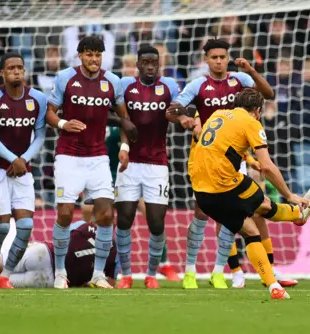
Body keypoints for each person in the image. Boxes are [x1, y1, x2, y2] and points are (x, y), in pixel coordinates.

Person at [166, 38, 294, 290]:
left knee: (256, 209)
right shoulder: (198, 85)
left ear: (228, 57)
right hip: (208, 156)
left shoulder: (240, 80)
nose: (219, 61)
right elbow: (173, 110)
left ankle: (269, 269)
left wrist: (251, 71)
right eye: (214, 57)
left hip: (239, 155)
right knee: (214, 214)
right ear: (206, 60)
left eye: (223, 57)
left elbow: (268, 94)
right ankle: (230, 270)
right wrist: (190, 118)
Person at [189, 88, 310, 300]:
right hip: (225, 185)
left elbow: (224, 147)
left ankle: (273, 286)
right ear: (257, 110)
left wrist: (249, 161)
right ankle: (297, 213)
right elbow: (267, 166)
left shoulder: (217, 114)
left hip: (201, 190)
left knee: (251, 231)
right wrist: (288, 194)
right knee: (266, 206)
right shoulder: (252, 123)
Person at [46, 35, 136, 289]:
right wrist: (64, 123)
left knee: (107, 214)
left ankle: (97, 275)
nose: (94, 59)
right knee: (65, 213)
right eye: (89, 54)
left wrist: (125, 147)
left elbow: (125, 117)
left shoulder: (113, 82)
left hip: (97, 157)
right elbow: (50, 112)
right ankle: (61, 272)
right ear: (80, 55)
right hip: (68, 155)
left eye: (98, 55)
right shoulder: (65, 78)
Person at [0, 52, 48, 289]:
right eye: (11, 68)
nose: (17, 71)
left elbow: (40, 135)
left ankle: (5, 275)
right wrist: (12, 158)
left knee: (26, 226)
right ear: (3, 73)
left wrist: (23, 159)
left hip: (22, 170)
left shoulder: (37, 98)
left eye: (20, 67)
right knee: (2, 226)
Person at [114, 46, 180, 289]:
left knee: (156, 222)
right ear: (138, 65)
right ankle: (127, 275)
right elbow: (119, 117)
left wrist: (183, 116)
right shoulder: (125, 86)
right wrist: (124, 145)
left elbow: (177, 112)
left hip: (157, 163)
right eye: (146, 62)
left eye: (155, 62)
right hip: (130, 163)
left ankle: (152, 274)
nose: (151, 66)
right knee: (124, 219)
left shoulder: (170, 86)